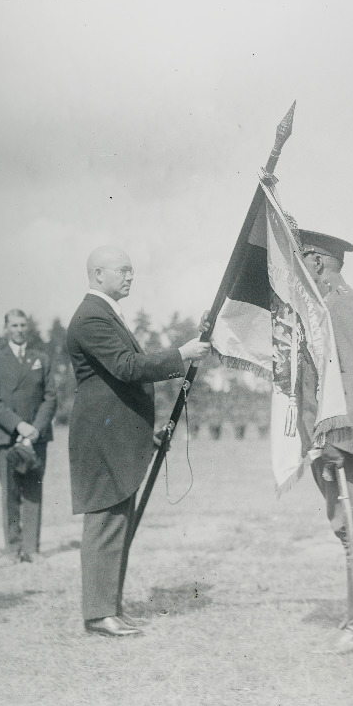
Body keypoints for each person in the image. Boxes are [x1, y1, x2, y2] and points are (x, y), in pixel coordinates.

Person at [67, 245, 211, 638]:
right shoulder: (91, 316)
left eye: (131, 271)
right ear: (98, 274)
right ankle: (98, 614)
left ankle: (108, 608)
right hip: (100, 439)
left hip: (113, 436)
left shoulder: (105, 314)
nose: (130, 276)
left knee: (116, 521)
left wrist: (144, 435)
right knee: (105, 523)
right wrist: (182, 352)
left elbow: (121, 378)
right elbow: (127, 368)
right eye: (123, 270)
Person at [299, 231, 353, 654]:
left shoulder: (342, 306)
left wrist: (340, 436)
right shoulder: (327, 305)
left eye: (300, 258)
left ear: (317, 262)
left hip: (352, 436)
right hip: (335, 436)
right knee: (346, 530)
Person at [0, 309, 58, 564]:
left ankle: (31, 549)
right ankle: (12, 549)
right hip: (6, 436)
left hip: (37, 436)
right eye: (13, 325)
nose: (18, 329)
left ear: (28, 327)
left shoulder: (41, 359)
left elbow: (51, 397)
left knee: (33, 489)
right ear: (6, 329)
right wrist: (19, 427)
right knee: (10, 492)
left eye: (22, 325)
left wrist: (34, 428)